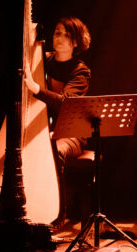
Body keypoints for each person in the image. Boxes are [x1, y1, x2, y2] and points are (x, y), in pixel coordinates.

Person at [23, 16, 92, 224]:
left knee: (54, 150)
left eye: (67, 35)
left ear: (76, 42)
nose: (59, 38)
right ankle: (26, 207)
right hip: (43, 129)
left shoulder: (80, 71)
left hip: (72, 133)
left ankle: (56, 213)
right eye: (57, 33)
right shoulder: (43, 60)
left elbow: (66, 102)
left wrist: (37, 89)